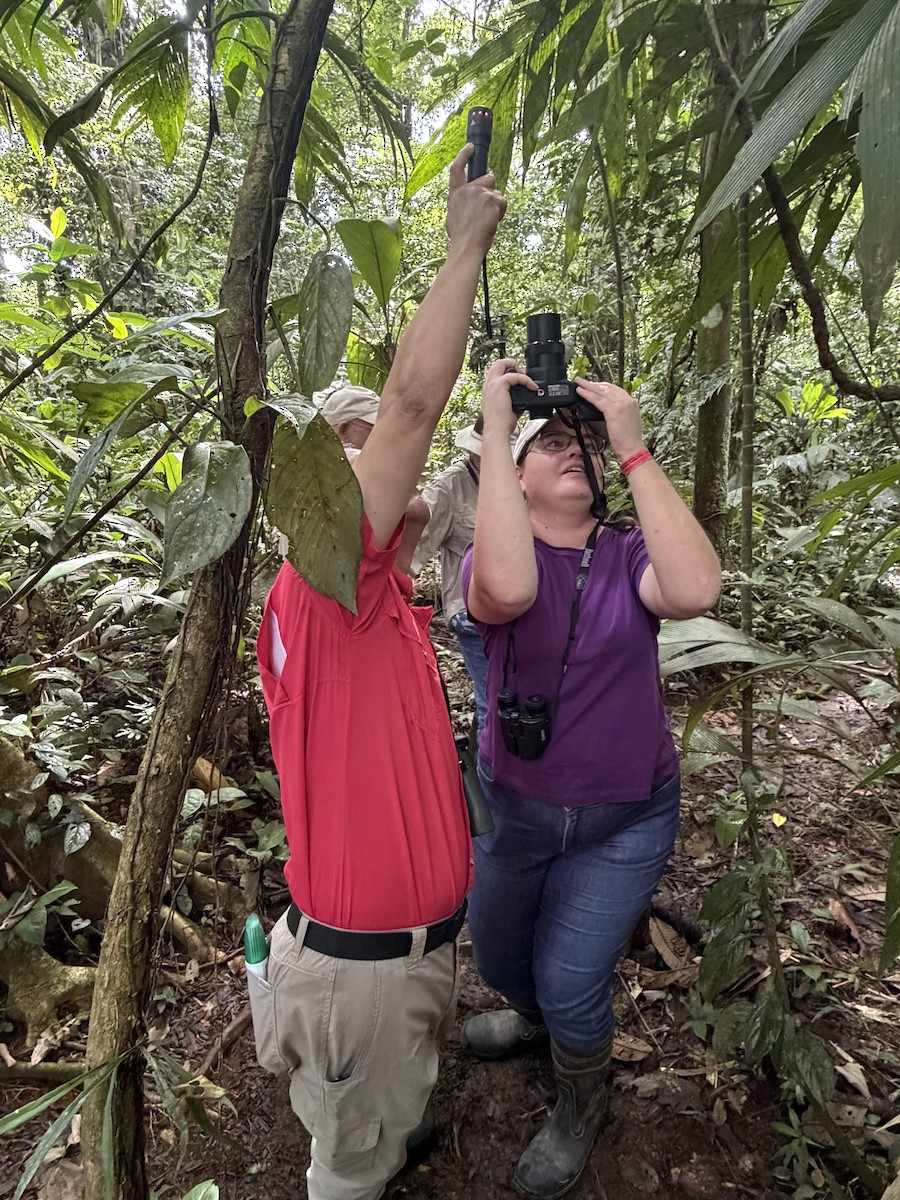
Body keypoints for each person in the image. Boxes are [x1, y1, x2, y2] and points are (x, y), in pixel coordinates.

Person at [253, 147, 506, 1200]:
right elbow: (409, 410)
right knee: (344, 1172)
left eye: (371, 447)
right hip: (359, 973)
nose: (383, 460)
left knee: (377, 1118)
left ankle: (392, 1131)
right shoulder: (325, 589)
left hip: (396, 959)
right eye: (348, 451)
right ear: (316, 488)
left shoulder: (382, 599)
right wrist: (462, 249)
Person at [459, 359, 722, 1199]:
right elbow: (507, 586)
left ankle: (578, 1101)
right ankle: (535, 1021)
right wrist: (497, 432)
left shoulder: (629, 555)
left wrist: (633, 446)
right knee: (501, 957)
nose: (575, 451)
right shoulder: (487, 561)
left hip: (625, 819)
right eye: (552, 442)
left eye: (585, 444)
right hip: (518, 813)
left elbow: (695, 588)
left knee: (573, 980)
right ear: (516, 478)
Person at [410, 417, 489, 735]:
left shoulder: (527, 476)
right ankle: (490, 776)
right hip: (475, 615)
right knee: (495, 704)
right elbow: (411, 548)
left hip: (530, 608)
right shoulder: (449, 488)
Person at [321, 383, 428, 575]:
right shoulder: (347, 459)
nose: (383, 437)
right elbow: (415, 508)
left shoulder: (312, 469)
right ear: (344, 429)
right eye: (373, 429)